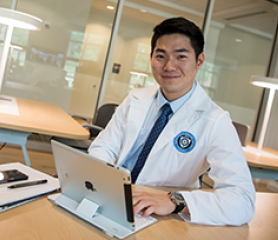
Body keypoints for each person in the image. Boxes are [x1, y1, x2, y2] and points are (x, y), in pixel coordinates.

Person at [88, 17, 256, 226]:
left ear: (199, 61)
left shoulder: (216, 121)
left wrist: (175, 200)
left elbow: (243, 201)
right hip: (109, 199)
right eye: (161, 56)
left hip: (160, 219)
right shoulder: (136, 98)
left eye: (181, 56)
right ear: (151, 58)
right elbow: (104, 147)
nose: (169, 66)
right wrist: (94, 177)